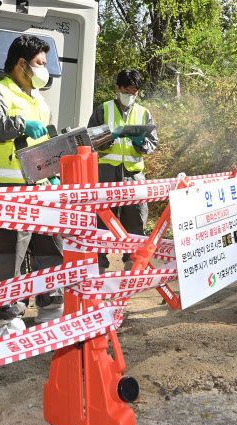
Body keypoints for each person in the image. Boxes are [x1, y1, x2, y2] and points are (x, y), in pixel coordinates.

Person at [0, 35, 64, 337]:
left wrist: (53, 170)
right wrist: (20, 124)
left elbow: (44, 142)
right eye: (40, 63)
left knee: (51, 249)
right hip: (7, 191)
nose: (44, 69)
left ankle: (51, 308)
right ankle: (9, 319)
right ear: (22, 63)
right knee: (8, 256)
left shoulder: (39, 99)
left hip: (42, 189)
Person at [87, 69, 159, 273]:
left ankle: (132, 260)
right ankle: (99, 263)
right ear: (117, 89)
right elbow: (90, 139)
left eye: (135, 92)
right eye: (127, 91)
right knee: (101, 220)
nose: (131, 96)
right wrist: (110, 137)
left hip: (134, 175)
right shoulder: (103, 110)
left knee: (136, 219)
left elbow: (152, 143)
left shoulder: (144, 113)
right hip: (105, 174)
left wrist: (140, 143)